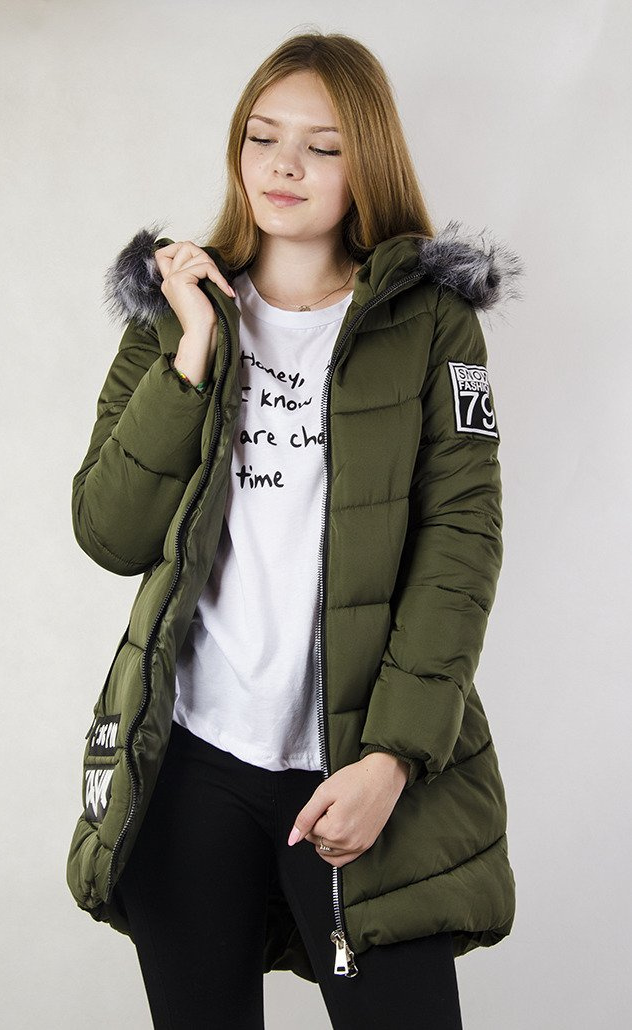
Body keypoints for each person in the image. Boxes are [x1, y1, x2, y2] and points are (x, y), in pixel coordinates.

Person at [66, 30, 522, 1030]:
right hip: (189, 764)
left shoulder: (432, 323)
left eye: (322, 146)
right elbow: (108, 531)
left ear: (368, 162)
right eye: (262, 137)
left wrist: (391, 761)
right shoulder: (174, 313)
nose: (283, 166)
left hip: (358, 767)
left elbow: (461, 547)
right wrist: (194, 347)